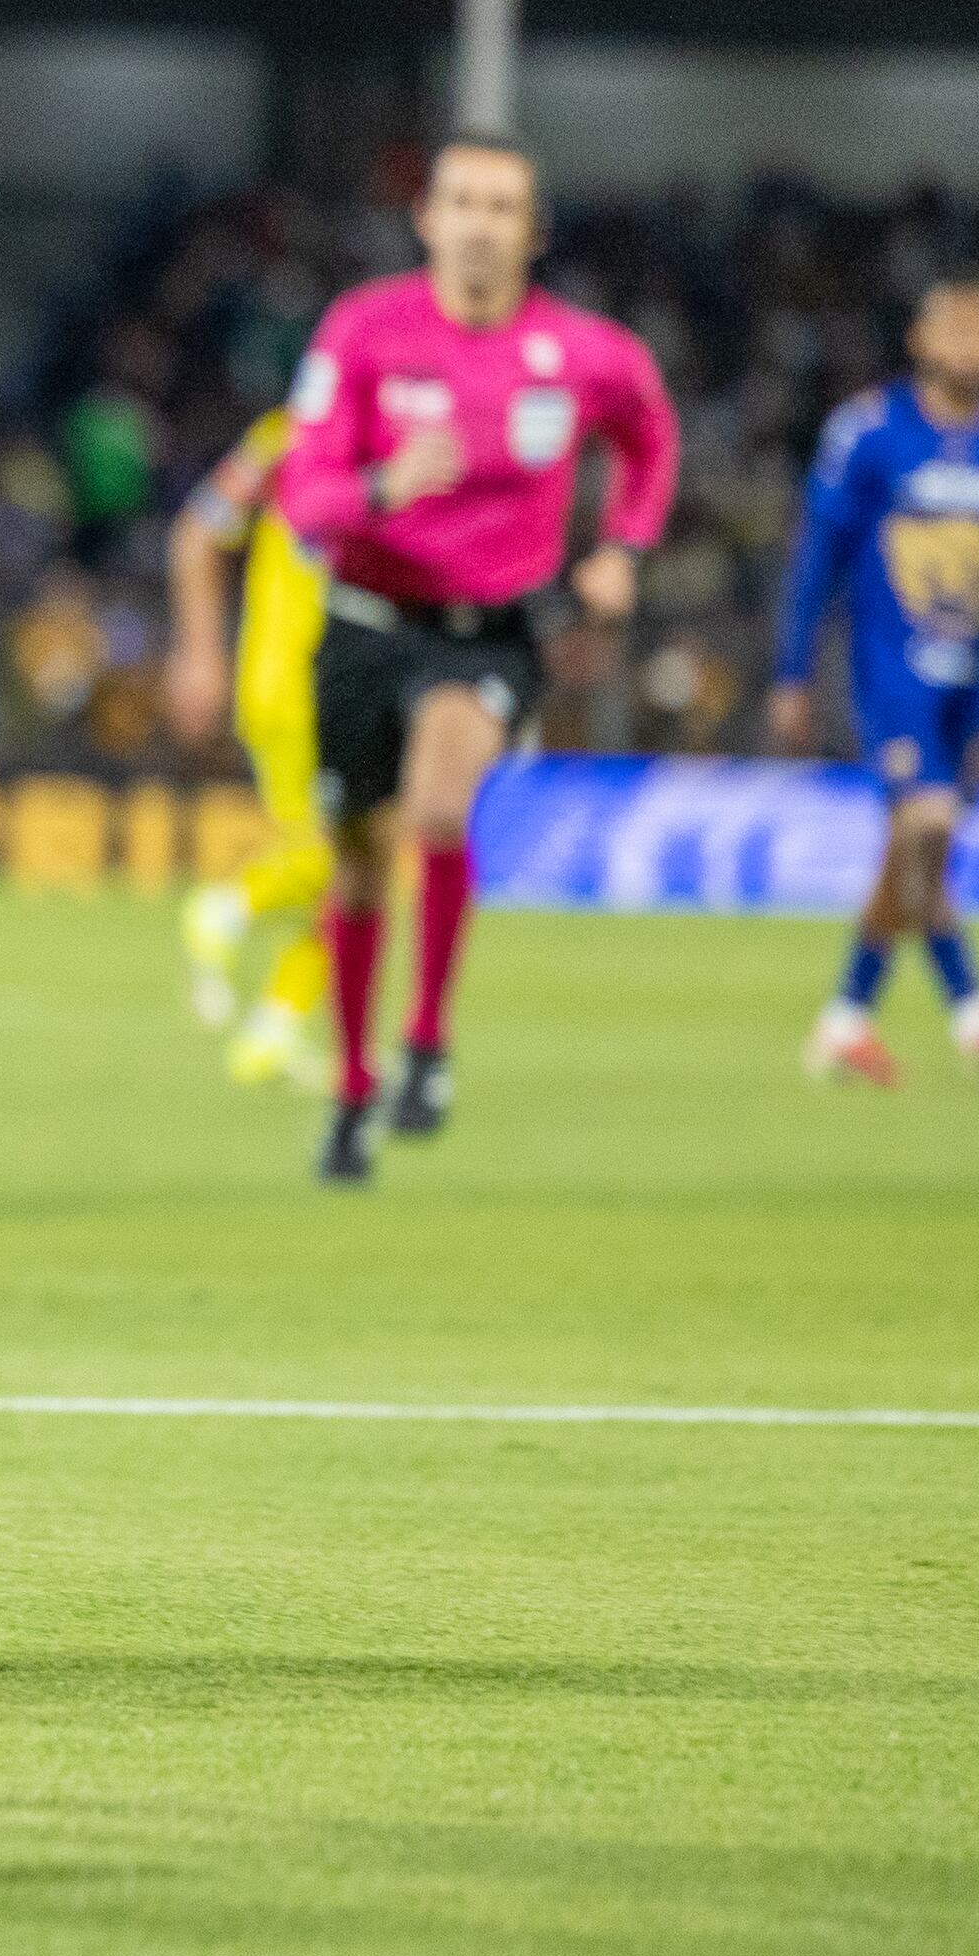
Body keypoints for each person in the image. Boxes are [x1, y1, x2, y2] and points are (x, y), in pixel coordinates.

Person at [272, 135, 679, 1184]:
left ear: (533, 233)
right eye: (460, 202)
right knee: (358, 859)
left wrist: (623, 550)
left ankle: (426, 1039)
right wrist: (381, 487)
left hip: (490, 632)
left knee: (439, 807)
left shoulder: (583, 354)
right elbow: (300, 494)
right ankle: (352, 1085)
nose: (479, 224)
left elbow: (650, 438)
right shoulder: (363, 331)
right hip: (366, 620)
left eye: (501, 207)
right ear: (427, 220)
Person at [768, 275, 979, 1085]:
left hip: (972, 672)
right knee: (925, 827)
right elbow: (817, 556)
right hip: (889, 668)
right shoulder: (870, 431)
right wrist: (793, 668)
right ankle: (923, 1012)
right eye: (953, 328)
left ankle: (891, 1017)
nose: (969, 343)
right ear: (919, 341)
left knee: (920, 851)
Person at [161, 405, 337, 1093]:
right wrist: (200, 652)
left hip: (338, 682)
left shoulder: (403, 431)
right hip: (297, 684)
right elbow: (196, 532)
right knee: (341, 859)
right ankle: (227, 908)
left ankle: (275, 1032)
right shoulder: (297, 433)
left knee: (354, 876)